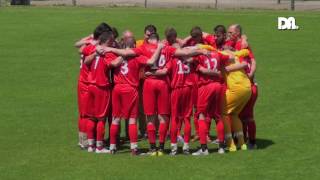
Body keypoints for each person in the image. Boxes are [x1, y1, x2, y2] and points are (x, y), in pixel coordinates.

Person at [108, 37, 163, 155]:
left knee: (115, 118)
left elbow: (112, 64)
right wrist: (159, 48)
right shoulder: (138, 57)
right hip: (130, 89)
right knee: (132, 119)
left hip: (117, 88)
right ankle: (134, 148)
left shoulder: (119, 57)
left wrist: (121, 56)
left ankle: (112, 147)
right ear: (134, 45)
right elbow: (151, 61)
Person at [84, 31, 123, 153]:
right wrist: (124, 55)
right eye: (111, 42)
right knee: (101, 119)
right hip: (102, 87)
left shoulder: (94, 49)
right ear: (108, 41)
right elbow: (114, 63)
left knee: (91, 117)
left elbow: (86, 61)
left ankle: (91, 145)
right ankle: (99, 147)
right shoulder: (107, 52)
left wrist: (95, 54)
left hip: (90, 86)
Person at [75, 22, 111, 149]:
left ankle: (88, 140)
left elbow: (78, 47)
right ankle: (85, 141)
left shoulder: (89, 43)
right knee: (87, 114)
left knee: (86, 114)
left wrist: (89, 38)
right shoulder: (95, 47)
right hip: (87, 82)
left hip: (85, 82)